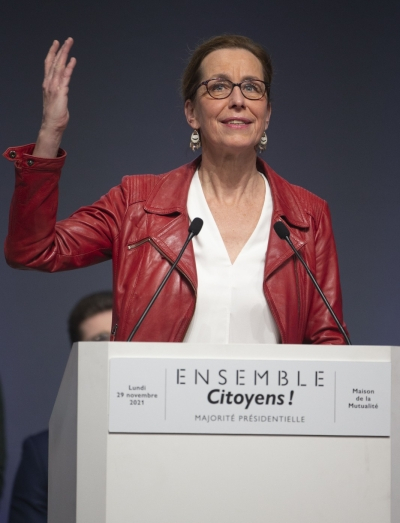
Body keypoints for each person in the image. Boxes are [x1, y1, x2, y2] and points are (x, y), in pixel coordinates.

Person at [4, 35, 348, 344]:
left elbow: (327, 338)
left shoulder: (307, 217)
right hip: (159, 411)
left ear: (267, 113)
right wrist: (50, 133)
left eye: (252, 87)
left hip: (270, 412)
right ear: (191, 112)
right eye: (219, 87)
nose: (238, 100)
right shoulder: (136, 204)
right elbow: (33, 251)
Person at [7, 291, 113, 523]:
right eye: (101, 341)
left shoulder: (182, 442)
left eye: (124, 334)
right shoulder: (45, 454)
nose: (114, 348)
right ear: (78, 358)